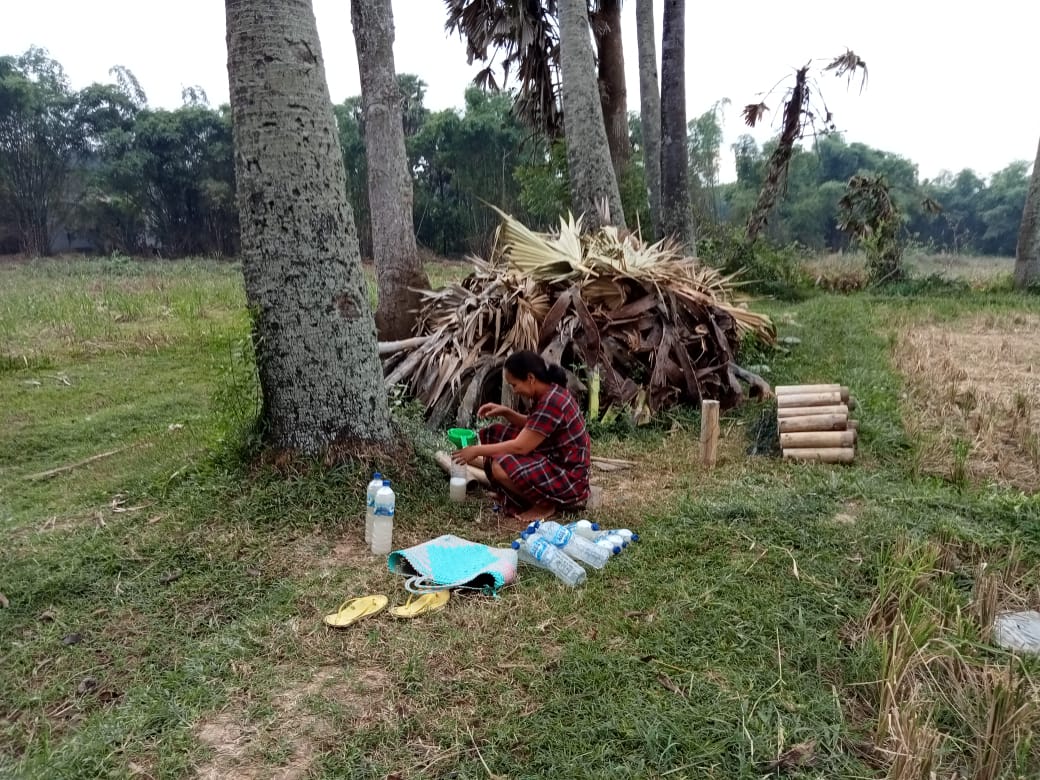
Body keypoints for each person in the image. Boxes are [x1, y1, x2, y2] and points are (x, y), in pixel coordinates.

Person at [452, 350, 591, 529]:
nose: (515, 390)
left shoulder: (552, 401)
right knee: (495, 433)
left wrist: (476, 450)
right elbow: (535, 424)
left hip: (569, 477)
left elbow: (520, 447)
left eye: (515, 385)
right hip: (554, 457)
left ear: (530, 378)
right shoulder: (548, 392)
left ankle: (544, 504)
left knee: (500, 466)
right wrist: (506, 412)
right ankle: (520, 493)